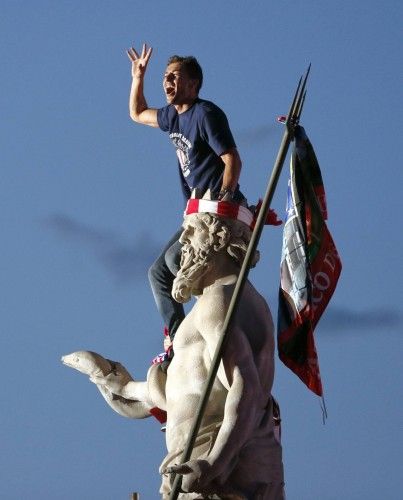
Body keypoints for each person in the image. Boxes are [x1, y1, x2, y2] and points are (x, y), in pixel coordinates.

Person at [126, 43, 246, 353]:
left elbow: (233, 160)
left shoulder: (205, 114)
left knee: (173, 258)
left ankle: (210, 308)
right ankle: (179, 340)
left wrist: (224, 199)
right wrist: (138, 77)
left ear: (193, 84)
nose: (168, 82)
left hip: (218, 209)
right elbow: (138, 113)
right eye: (166, 77)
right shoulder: (172, 117)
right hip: (195, 214)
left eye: (175, 77)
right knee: (157, 273)